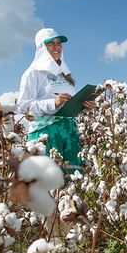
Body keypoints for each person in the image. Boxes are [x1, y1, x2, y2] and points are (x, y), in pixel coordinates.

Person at [18, 28, 94, 175]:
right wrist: (54, 103)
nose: (56, 46)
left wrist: (85, 106)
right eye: (50, 43)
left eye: (59, 43)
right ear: (41, 47)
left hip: (69, 131)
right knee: (47, 178)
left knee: (72, 177)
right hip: (45, 132)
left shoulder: (66, 75)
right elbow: (24, 106)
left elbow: (70, 105)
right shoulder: (33, 73)